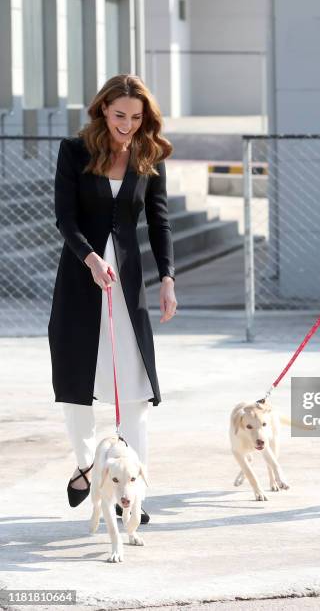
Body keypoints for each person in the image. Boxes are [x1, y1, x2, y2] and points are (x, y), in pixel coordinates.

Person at [48, 74, 178, 523]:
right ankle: (86, 465)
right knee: (76, 378)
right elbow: (65, 218)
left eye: (136, 117)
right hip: (80, 276)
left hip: (127, 281)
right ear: (104, 109)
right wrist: (88, 258)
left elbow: (159, 222)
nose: (127, 125)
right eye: (120, 114)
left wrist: (168, 278)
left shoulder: (149, 154)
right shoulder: (75, 151)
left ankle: (134, 496)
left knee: (136, 384)